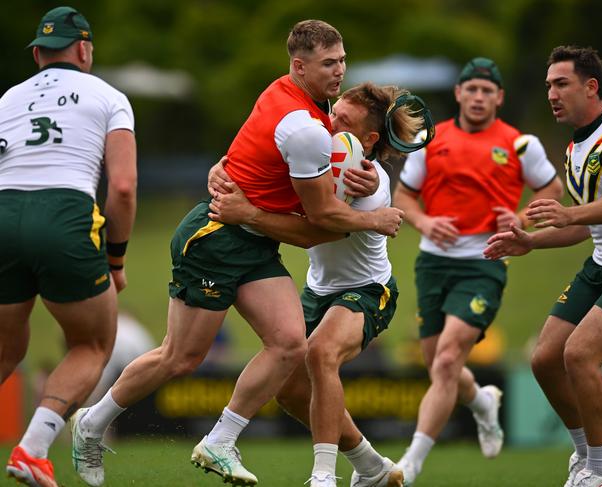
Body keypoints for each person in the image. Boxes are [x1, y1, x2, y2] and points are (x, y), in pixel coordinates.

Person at [70, 20, 404, 487]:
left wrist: (229, 171)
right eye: (329, 64)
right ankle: (91, 423)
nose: (339, 72)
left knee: (289, 344)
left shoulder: (297, 98)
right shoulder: (305, 128)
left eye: (342, 60)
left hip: (251, 238)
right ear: (299, 65)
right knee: (180, 357)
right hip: (217, 237)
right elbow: (316, 227)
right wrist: (374, 218)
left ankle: (220, 441)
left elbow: (256, 155)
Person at [209, 82, 432, 487]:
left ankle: (323, 476)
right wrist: (221, 171)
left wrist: (247, 214)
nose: (329, 123)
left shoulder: (370, 180)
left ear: (368, 140)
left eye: (342, 121)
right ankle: (371, 468)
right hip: (319, 293)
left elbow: (311, 229)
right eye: (333, 113)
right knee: (292, 393)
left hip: (368, 291)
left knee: (321, 353)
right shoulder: (314, 158)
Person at [392, 57, 563, 485]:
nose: (479, 97)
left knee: (449, 356)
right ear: (459, 94)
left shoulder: (520, 143)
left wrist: (521, 219)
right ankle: (483, 403)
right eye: (472, 89)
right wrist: (426, 222)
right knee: (439, 366)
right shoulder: (431, 141)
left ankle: (410, 463)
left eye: (487, 91)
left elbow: (552, 189)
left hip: (484, 262)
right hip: (433, 262)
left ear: (499, 98)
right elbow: (403, 197)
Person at [485, 45, 602, 487]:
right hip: (601, 265)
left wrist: (570, 213)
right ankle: (588, 454)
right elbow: (584, 225)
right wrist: (530, 242)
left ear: (590, 86)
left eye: (561, 84)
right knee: (544, 359)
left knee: (580, 354)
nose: (552, 94)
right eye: (548, 86)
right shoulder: (577, 146)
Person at [0, 6, 137, 487]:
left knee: (6, 347)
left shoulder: (8, 98)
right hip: (63, 216)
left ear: (38, 54)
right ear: (84, 50)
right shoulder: (109, 96)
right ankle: (33, 452)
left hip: (3, 212)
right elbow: (121, 187)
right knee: (92, 344)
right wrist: (115, 259)